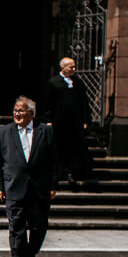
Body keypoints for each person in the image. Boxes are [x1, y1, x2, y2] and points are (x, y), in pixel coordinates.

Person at [0, 96, 57, 257]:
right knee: (16, 228)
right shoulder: (4, 132)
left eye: (21, 110)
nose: (17, 114)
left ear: (32, 113)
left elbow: (53, 162)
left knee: (39, 226)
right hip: (14, 188)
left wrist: (53, 186)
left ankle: (29, 253)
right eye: (15, 110)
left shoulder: (45, 131)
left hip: (39, 189)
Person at [45, 57, 92, 185]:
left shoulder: (78, 82)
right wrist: (49, 119)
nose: (73, 69)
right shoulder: (53, 83)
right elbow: (49, 103)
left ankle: (74, 172)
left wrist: (85, 119)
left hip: (75, 122)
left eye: (74, 66)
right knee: (59, 147)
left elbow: (83, 102)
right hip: (59, 122)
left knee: (75, 147)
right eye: (71, 67)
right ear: (63, 67)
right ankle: (60, 171)